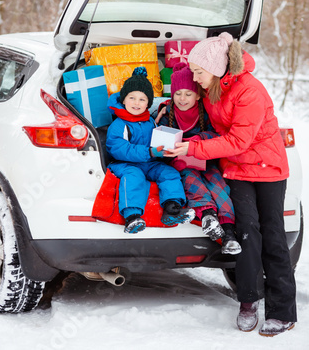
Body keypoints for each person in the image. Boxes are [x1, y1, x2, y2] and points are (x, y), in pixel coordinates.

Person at [165, 32, 297, 337]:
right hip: (236, 169)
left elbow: (238, 140)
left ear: (215, 67)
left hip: (268, 168)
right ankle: (248, 301)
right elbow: (203, 118)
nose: (194, 78)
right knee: (247, 233)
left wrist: (193, 149)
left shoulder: (249, 91)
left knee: (273, 236)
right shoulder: (213, 87)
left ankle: (282, 311)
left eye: (198, 71)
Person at [156, 62, 241, 255]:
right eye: (178, 94)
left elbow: (217, 136)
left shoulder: (206, 112)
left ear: (197, 95)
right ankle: (208, 216)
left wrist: (196, 140)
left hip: (206, 161)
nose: (182, 99)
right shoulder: (166, 113)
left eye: (188, 94)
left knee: (219, 185)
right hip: (182, 164)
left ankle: (228, 232)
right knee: (192, 180)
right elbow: (158, 140)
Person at [106, 66, 195, 234]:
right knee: (134, 176)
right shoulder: (118, 124)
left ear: (148, 103)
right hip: (125, 163)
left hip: (150, 163)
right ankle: (132, 217)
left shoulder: (150, 121)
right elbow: (118, 149)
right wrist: (150, 152)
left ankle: (172, 208)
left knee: (169, 173)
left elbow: (156, 143)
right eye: (132, 98)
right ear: (123, 100)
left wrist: (166, 149)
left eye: (142, 99)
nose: (136, 103)